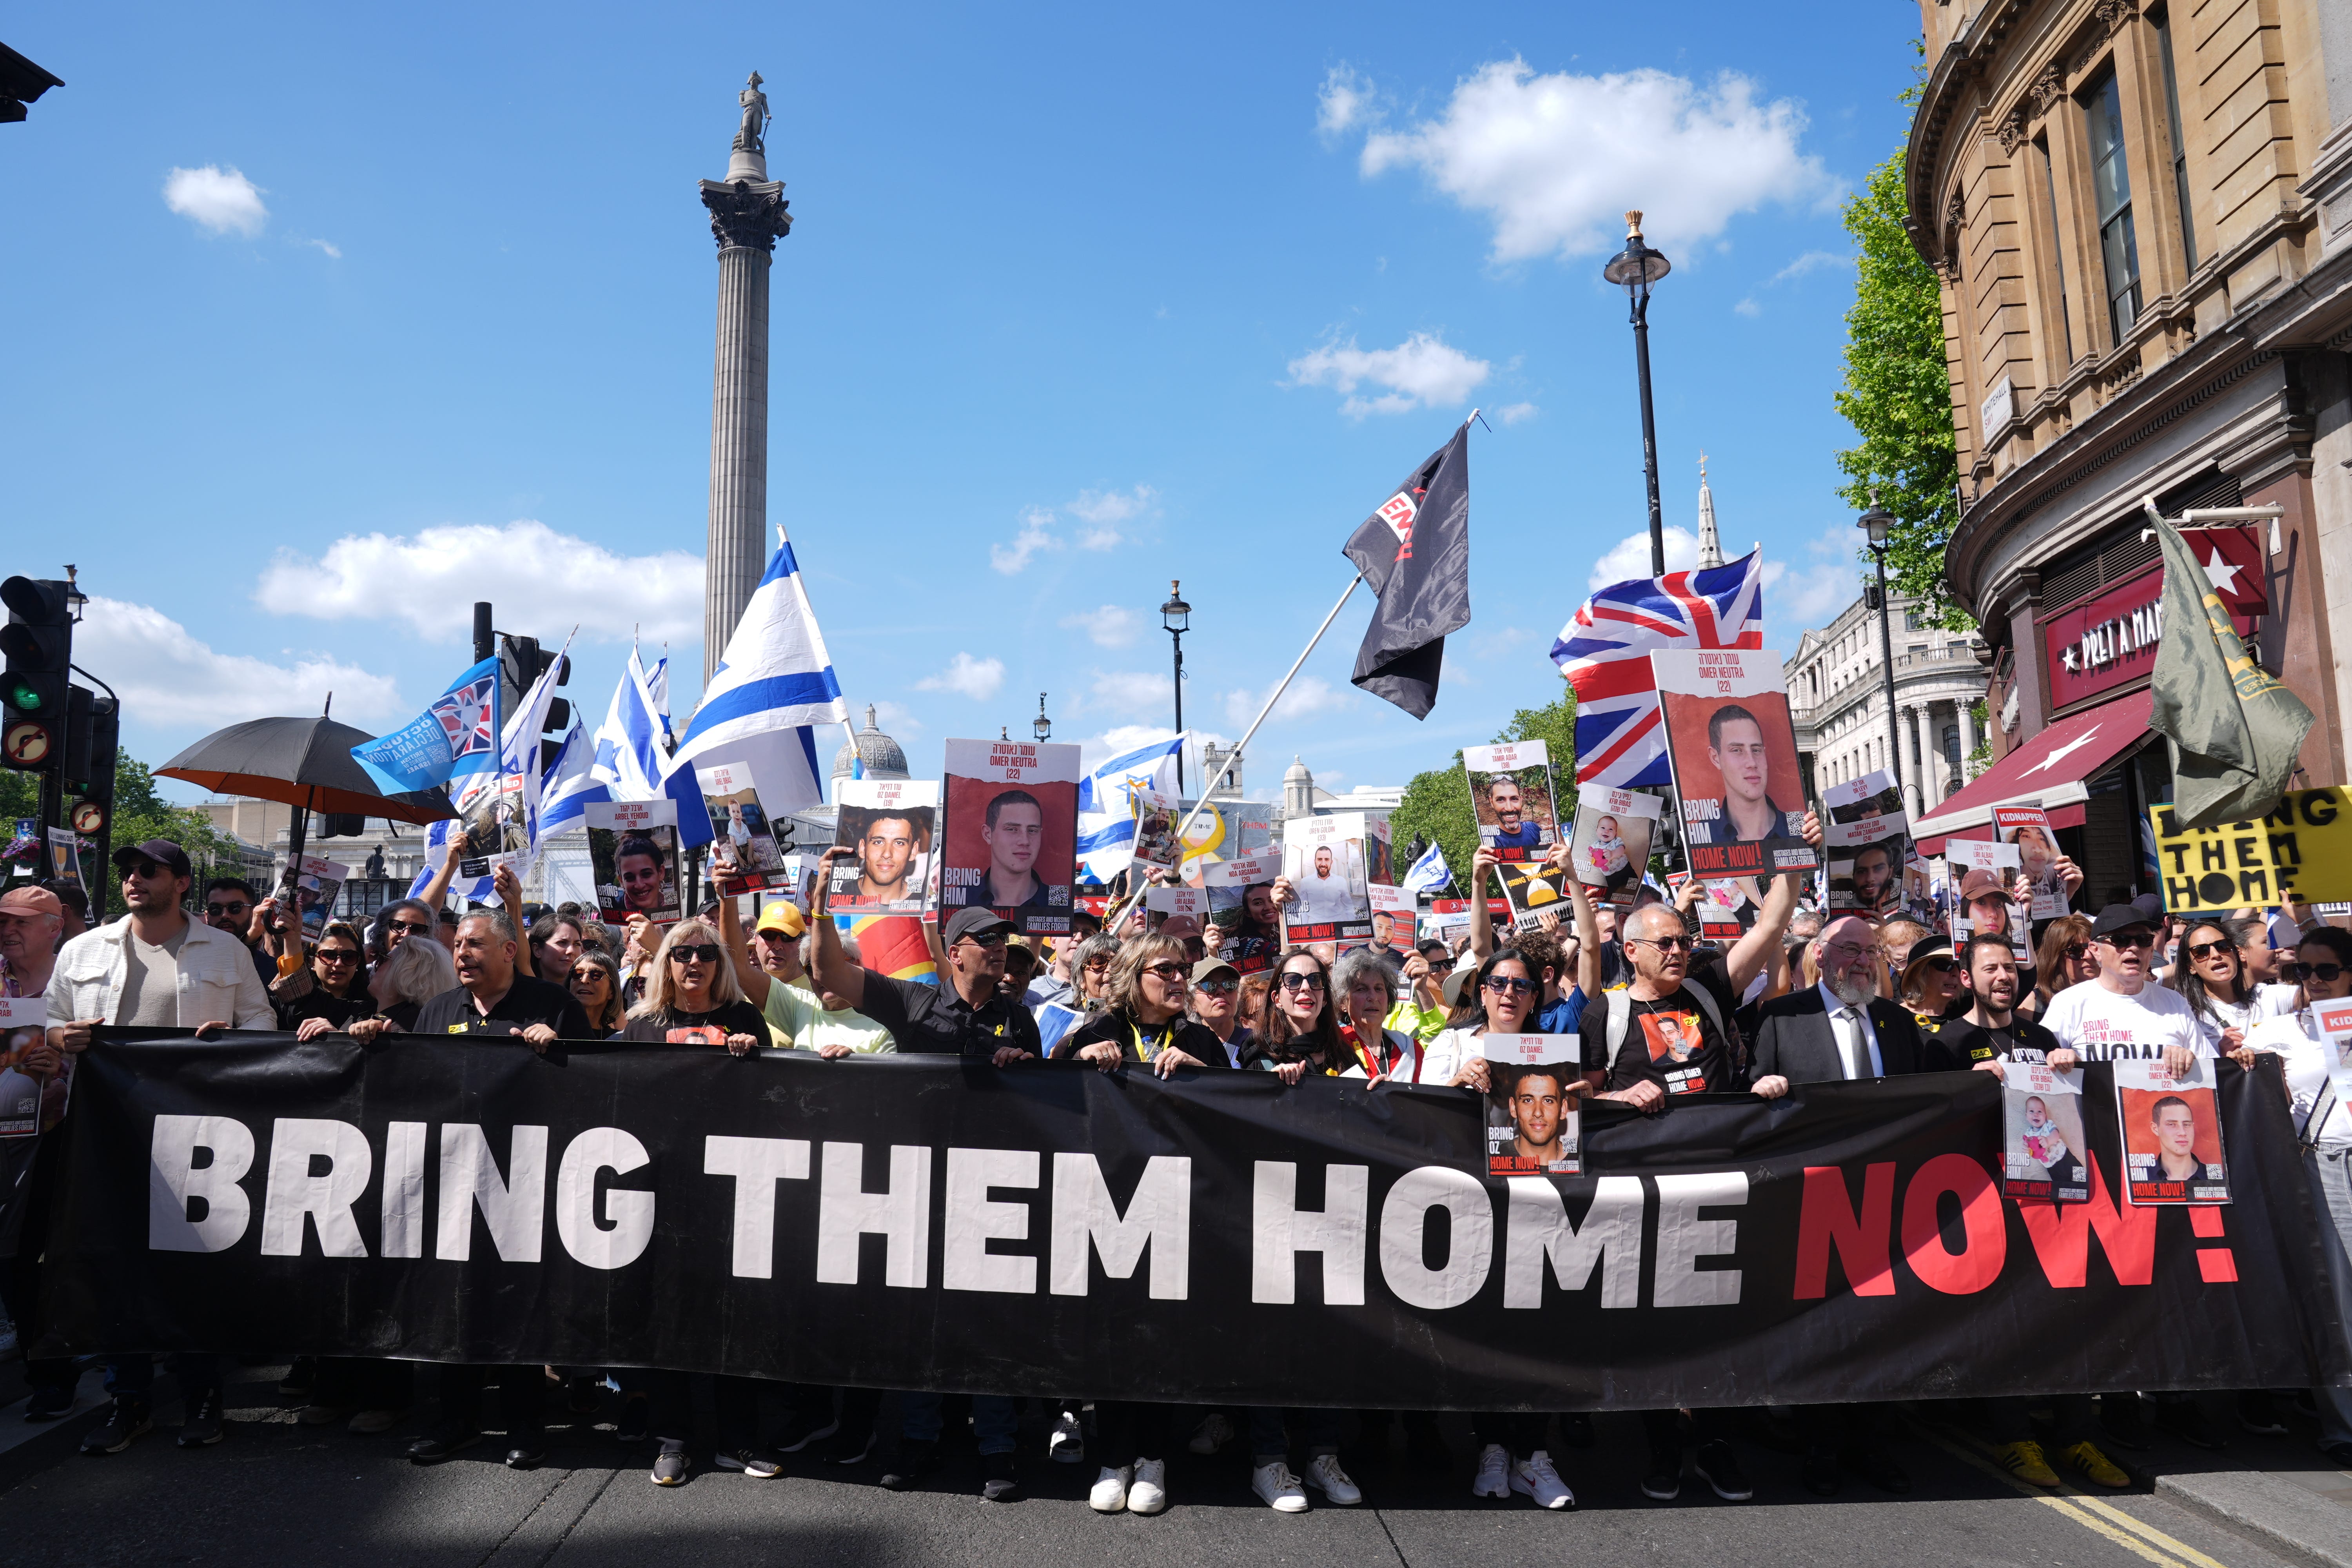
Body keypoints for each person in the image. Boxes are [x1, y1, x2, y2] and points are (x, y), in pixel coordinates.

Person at [1576, 843, 1810, 1504]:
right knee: (1656, 1326)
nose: (1679, 951)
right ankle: (1662, 1447)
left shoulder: (1709, 992)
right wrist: (1616, 1099)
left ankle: (1715, 1445)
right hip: (1647, 1198)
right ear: (1632, 952)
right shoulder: (1606, 1014)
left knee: (1724, 1325)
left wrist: (1791, 854)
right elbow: (1572, 1100)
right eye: (1665, 943)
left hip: (1723, 1187)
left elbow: (1769, 928)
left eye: (1684, 940)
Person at [804, 848, 1037, 1501]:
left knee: (989, 1324)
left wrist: (1024, 1066)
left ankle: (997, 1449)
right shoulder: (910, 1003)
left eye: (1002, 940)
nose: (997, 949)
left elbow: (1043, 1103)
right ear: (954, 951)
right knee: (920, 1326)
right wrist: (822, 901)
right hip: (920, 1193)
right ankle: (917, 1443)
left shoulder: (1019, 1016)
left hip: (994, 1193)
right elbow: (828, 972)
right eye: (984, 940)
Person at [47, 840, 274, 1455]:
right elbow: (50, 1018)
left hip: (196, 1136)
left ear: (180, 882)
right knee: (114, 1265)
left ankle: (202, 1395)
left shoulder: (225, 950)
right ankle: (131, 1400)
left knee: (193, 1265)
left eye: (148, 870)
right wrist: (59, 1035)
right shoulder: (84, 950)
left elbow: (263, 1022)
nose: (133, 880)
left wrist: (231, 1040)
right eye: (126, 871)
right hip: (106, 1131)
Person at [1747, 914, 1945, 1496]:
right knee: (1821, 1329)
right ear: (1820, 957)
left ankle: (1870, 1441)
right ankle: (1822, 1446)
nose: (1862, 961)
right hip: (1814, 1198)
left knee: (1882, 1327)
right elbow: (1753, 1090)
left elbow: (1929, 1096)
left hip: (1888, 1198)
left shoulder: (1895, 1021)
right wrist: (1763, 1089)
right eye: (1850, 951)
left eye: (1871, 952)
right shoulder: (1784, 1018)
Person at [1048, 933, 1221, 1516]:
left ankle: (1153, 1460)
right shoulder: (1096, 1032)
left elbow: (1237, 1111)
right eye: (1165, 968)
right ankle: (1113, 1458)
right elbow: (1047, 1106)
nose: (1180, 978)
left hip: (1176, 1209)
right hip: (1108, 1208)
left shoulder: (1200, 1038)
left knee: (1163, 1336)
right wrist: (1078, 1064)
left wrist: (1205, 1074)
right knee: (1113, 1332)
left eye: (1184, 968)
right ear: (1133, 974)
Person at [610, 918, 775, 1483]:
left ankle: (739, 1441)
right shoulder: (641, 1025)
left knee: (734, 1318)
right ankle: (672, 1440)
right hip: (661, 1193)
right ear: (666, 964)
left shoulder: (744, 1018)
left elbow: (772, 1102)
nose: (694, 962)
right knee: (667, 1319)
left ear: (719, 963)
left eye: (706, 953)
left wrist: (754, 1058)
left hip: (733, 1195)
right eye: (683, 954)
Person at [1232, 945, 1367, 1512]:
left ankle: (1322, 1454)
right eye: (1293, 980)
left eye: (1315, 980)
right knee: (1270, 1341)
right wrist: (1272, 1087)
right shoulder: (1252, 1050)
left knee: (1331, 1340)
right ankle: (1270, 1460)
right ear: (1276, 991)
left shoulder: (1350, 1049)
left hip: (1339, 1215)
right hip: (1272, 1215)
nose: (1305, 989)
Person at [2243, 927, 2352, 1465]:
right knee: (2337, 1301)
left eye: (2326, 970)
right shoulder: (2279, 1030)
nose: (2313, 981)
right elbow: (2239, 1070)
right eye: (2302, 971)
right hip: (2322, 1164)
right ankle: (2343, 1428)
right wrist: (2246, 1060)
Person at [2040, 905, 2207, 1073]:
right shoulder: (2068, 1002)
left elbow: (2210, 1067)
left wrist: (2190, 1058)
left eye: (2144, 940)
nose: (2134, 948)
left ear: (2151, 952)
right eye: (2120, 940)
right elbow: (2040, 1068)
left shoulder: (2175, 1002)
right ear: (2096, 951)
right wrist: (2060, 1058)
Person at [716, 897, 892, 1056]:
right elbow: (738, 967)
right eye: (812, 969)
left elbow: (889, 1087)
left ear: (857, 964)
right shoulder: (802, 1006)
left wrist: (858, 1065)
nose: (822, 976)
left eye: (834, 965)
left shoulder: (885, 1025)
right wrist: (727, 897)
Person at [1681, 705, 1806, 848]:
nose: (1752, 763)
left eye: (1756, 750)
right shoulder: (1703, 836)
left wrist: (1812, 847)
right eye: (1737, 750)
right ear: (1716, 758)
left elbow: (1798, 867)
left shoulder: (1798, 828)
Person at [2170, 916, 2296, 1052]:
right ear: (2191, 967)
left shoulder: (2265, 995)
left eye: (2223, 946)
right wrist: (2221, 1056)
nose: (2215, 955)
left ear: (2237, 954)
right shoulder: (2184, 1014)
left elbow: (2318, 990)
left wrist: (2304, 920)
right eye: (2201, 951)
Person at [1329, 947, 1423, 1081]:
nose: (1373, 997)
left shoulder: (1411, 1049)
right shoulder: (1333, 1044)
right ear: (1343, 1003)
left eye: (1379, 989)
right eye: (1362, 989)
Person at [956, 789, 1050, 910]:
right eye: (1012, 829)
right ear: (988, 834)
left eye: (1032, 831)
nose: (1025, 841)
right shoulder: (961, 898)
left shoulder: (1059, 903)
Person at [273, 920, 372, 1033]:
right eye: (329, 955)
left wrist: (338, 1036)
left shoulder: (371, 1009)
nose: (339, 963)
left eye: (348, 956)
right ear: (312, 962)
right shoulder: (284, 1004)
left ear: (358, 962)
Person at [201, 875, 274, 983]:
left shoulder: (272, 970)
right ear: (207, 916)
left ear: (252, 912)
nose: (225, 915)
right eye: (216, 909)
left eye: (235, 907)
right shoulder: (188, 959)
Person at [2026, 913, 2099, 1019]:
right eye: (2075, 951)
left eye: (2094, 948)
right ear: (2056, 957)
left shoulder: (2117, 996)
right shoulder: (2034, 1004)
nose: (2088, 956)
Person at [0, 884, 65, 998]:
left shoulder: (77, 980)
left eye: (22, 922)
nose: (7, 931)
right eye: (2, 922)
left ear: (55, 928)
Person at [1188, 956, 1255, 1066]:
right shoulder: (1185, 1048)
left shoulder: (1258, 1044)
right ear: (1192, 1003)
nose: (1221, 991)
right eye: (1209, 986)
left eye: (1229, 984)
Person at [1209, 882, 1285, 975]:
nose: (1268, 907)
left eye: (1272, 900)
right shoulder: (1252, 944)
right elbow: (1290, 957)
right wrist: (1283, 922)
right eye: (1258, 903)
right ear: (1248, 913)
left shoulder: (1273, 934)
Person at [853, 809, 924, 904]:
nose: (887, 854)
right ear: (862, 849)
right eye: (878, 842)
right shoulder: (839, 894)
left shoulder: (924, 903)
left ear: (913, 852)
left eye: (899, 843)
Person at [1287, 844, 1357, 925]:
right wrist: (1303, 930)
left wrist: (1350, 925)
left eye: (1327, 859)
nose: (1323, 864)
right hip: (1315, 929)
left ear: (1331, 862)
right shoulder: (1306, 882)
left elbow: (1349, 907)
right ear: (1315, 861)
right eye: (1320, 859)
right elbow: (1303, 910)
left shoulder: (1341, 881)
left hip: (1338, 928)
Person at [567, 949, 628, 1035]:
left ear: (612, 992)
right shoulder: (554, 1031)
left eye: (596, 975)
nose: (584, 980)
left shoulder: (616, 1041)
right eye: (578, 974)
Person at [615, 833, 675, 917]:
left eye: (647, 874)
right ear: (621, 881)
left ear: (661, 872)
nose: (639, 886)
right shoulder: (617, 908)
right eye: (630, 878)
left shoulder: (673, 904)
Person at [2147, 1096, 2205, 1182]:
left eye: (2187, 1125)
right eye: (2172, 1124)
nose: (2182, 1133)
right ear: (2155, 1129)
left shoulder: (2215, 1177)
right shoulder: (2142, 1177)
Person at [1484, 775, 1545, 853]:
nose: (1509, 808)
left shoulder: (1533, 828)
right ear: (1492, 802)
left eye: (1514, 799)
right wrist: (1479, 866)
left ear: (1521, 800)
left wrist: (1553, 835)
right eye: (1501, 800)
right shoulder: (1492, 843)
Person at [527, 912, 588, 989]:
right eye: (562, 943)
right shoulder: (520, 992)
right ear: (537, 950)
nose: (571, 951)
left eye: (577, 944)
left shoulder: (587, 995)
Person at [1846, 840, 1898, 915]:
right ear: (1854, 876)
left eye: (1879, 869)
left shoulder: (1905, 893)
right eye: (1862, 872)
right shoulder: (1844, 906)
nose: (1870, 879)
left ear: (1890, 872)